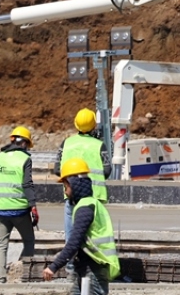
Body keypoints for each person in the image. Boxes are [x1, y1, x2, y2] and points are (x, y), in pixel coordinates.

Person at [43, 158, 121, 295]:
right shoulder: (88, 204)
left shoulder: (85, 208)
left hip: (93, 270)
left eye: (66, 186)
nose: (65, 191)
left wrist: (54, 266)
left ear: (74, 184)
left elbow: (74, 242)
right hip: (87, 268)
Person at [0, 126, 37, 284]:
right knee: (28, 240)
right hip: (19, 210)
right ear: (25, 143)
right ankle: (27, 276)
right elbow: (27, 185)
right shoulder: (25, 159)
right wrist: (33, 206)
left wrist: (1, 185)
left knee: (1, 244)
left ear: (12, 140)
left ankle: (0, 278)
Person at [55, 108, 112, 242]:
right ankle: (91, 260)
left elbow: (57, 169)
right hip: (94, 195)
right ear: (94, 125)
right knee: (93, 232)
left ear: (76, 124)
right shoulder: (99, 145)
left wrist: (71, 181)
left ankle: (71, 261)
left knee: (71, 232)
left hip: (72, 194)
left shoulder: (66, 143)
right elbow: (108, 170)